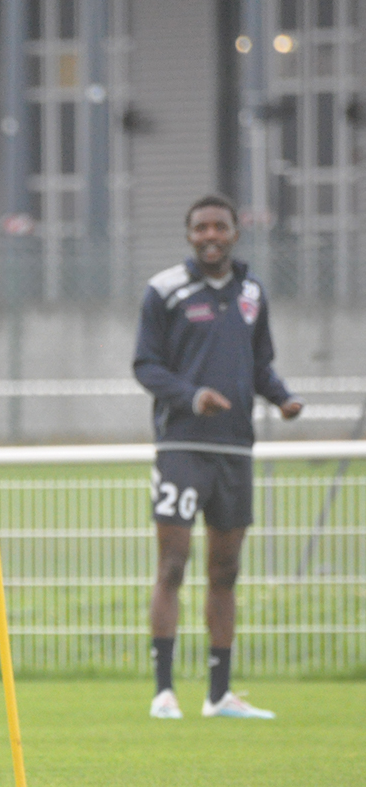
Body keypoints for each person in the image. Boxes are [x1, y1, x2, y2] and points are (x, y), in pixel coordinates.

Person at [133, 194, 302, 720]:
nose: (211, 235)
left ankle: (218, 695)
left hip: (234, 448)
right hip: (183, 446)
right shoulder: (164, 290)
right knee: (173, 564)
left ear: (235, 232)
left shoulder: (252, 293)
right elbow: (146, 366)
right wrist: (191, 396)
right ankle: (164, 692)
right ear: (189, 235)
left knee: (225, 570)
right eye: (201, 227)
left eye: (220, 226)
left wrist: (281, 397)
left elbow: (260, 365)